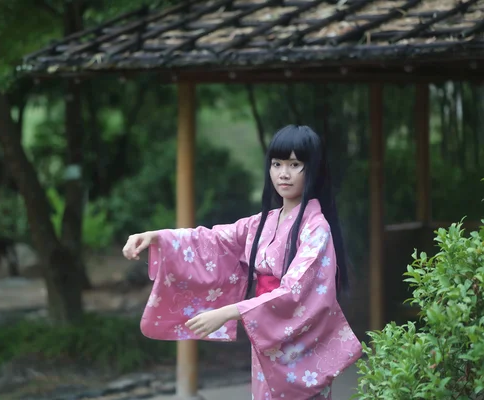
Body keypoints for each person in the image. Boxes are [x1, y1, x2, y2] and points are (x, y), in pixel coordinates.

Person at [122, 125, 362, 399]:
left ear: (314, 168)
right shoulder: (264, 222)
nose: (283, 173)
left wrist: (228, 311)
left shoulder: (316, 228)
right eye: (277, 164)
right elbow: (212, 241)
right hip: (268, 336)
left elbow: (296, 291)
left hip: (298, 341)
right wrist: (156, 237)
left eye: (295, 164)